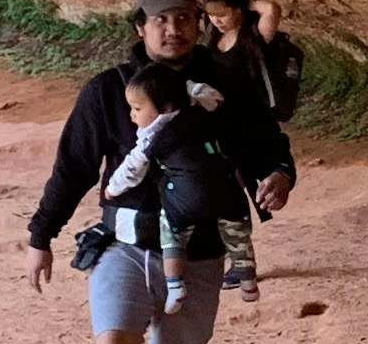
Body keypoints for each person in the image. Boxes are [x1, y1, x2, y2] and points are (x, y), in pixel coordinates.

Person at [27, 0, 297, 344]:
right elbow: (74, 166)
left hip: (197, 248)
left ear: (198, 23)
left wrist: (279, 175)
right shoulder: (108, 93)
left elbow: (265, 143)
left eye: (182, 18)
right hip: (123, 242)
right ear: (140, 27)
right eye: (160, 20)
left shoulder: (225, 86)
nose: (171, 29)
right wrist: (41, 233)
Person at [101, 58, 261, 315]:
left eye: (137, 108)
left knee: (171, 235)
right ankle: (248, 281)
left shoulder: (152, 135)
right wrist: (186, 87)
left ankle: (175, 287)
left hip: (185, 198)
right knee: (236, 231)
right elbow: (214, 96)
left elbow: (133, 169)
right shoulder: (201, 109)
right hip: (225, 188)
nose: (132, 115)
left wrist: (112, 188)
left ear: (163, 108)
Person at [202, 0, 304, 131]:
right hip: (222, 113)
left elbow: (271, 9)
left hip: (253, 115)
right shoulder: (213, 35)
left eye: (222, 14)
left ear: (237, 10)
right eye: (211, 14)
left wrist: (247, 3)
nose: (216, 20)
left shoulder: (255, 34)